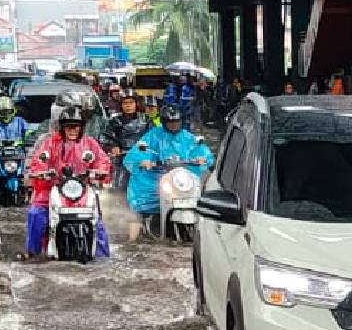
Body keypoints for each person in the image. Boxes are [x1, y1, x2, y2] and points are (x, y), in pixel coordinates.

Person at [23, 106, 112, 261]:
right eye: (68, 126)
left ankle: (102, 256)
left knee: (96, 219)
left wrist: (100, 171)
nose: (72, 130)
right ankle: (32, 252)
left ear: (81, 127)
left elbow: (102, 160)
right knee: (36, 213)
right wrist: (42, 172)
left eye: (76, 126)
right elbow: (39, 160)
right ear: (62, 127)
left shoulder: (90, 143)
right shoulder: (50, 143)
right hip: (52, 187)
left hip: (80, 188)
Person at [123, 104, 213, 236]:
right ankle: (134, 237)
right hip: (155, 178)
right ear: (164, 122)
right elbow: (137, 152)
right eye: (170, 122)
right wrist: (143, 161)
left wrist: (202, 159)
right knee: (138, 208)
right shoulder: (153, 136)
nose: (174, 125)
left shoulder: (188, 137)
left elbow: (202, 152)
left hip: (180, 178)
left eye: (176, 122)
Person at [100, 90, 151, 191]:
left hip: (142, 159)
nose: (128, 106)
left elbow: (153, 138)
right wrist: (113, 146)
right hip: (121, 160)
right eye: (125, 103)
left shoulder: (146, 120)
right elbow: (105, 138)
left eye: (131, 102)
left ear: (136, 104)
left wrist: (146, 147)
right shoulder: (114, 121)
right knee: (118, 189)